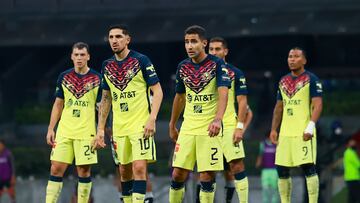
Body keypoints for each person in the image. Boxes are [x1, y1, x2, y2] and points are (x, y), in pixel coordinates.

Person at [93, 24, 163, 203]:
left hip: (140, 125)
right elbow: (106, 98)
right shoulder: (107, 65)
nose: (114, 41)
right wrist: (100, 129)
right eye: (111, 37)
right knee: (124, 171)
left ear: (127, 40)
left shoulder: (141, 60)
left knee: (139, 168)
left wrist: (152, 118)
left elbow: (158, 91)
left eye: (118, 37)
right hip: (119, 128)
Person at [168, 25, 230, 203]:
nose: (189, 46)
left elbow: (223, 93)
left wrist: (218, 119)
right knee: (178, 172)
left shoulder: (217, 64)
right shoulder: (182, 66)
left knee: (206, 175)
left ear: (204, 43)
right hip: (188, 127)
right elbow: (179, 97)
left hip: (209, 127)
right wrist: (172, 124)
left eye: (193, 41)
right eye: (187, 42)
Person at [45, 42, 101, 203]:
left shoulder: (97, 78)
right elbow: (58, 104)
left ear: (88, 57)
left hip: (86, 132)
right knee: (55, 168)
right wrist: (51, 128)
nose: (79, 58)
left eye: (82, 55)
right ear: (71, 56)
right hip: (64, 131)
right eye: (76, 54)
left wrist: (100, 131)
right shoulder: (64, 77)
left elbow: (102, 107)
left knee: (83, 171)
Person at [269, 47, 323, 203]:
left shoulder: (312, 79)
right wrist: (274, 129)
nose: (292, 59)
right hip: (285, 133)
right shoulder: (283, 80)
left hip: (303, 132)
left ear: (304, 60)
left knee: (308, 168)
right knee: (282, 169)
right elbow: (279, 107)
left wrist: (310, 126)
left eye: (296, 56)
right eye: (290, 56)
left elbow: (318, 105)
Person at [207, 37, 251, 203]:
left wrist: (239, 126)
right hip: (206, 127)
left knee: (236, 166)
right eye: (211, 49)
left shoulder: (236, 73)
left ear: (225, 51)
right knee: (207, 171)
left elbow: (242, 102)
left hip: (229, 125)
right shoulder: (200, 72)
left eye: (218, 49)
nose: (214, 52)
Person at [256, 132, 279, 203]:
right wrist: (258, 163)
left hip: (275, 170)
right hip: (265, 170)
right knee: (265, 188)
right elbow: (260, 154)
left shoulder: (277, 144)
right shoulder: (263, 144)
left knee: (275, 189)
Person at [343, 138, 360, 203]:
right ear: (348, 144)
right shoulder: (349, 152)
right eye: (352, 142)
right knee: (357, 197)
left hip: (351, 178)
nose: (354, 143)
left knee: (352, 198)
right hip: (353, 178)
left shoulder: (349, 152)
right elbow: (358, 164)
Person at [0, 139, 16, 203]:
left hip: (8, 179)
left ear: (3, 145)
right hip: (0, 179)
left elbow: (12, 166)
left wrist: (13, 176)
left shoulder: (8, 154)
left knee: (12, 195)